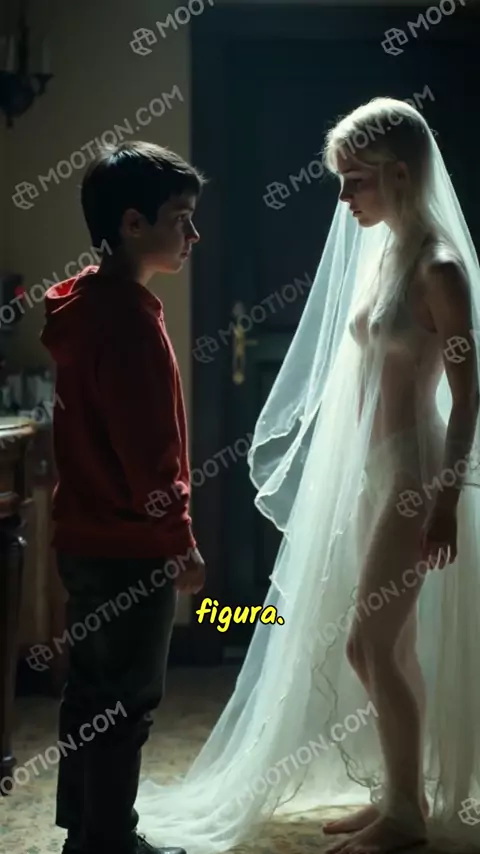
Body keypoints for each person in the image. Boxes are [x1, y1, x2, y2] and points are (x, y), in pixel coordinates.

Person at [132, 98, 480, 854]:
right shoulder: (386, 252)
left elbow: (469, 394)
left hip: (415, 476)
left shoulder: (440, 268)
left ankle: (406, 815)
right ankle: (400, 795)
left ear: (399, 173)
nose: (344, 197)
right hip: (376, 471)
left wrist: (447, 496)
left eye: (356, 180)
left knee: (369, 643)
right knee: (385, 644)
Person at [40, 141, 207, 854]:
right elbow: (151, 458)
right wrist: (181, 544)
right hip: (129, 548)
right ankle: (111, 840)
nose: (194, 234)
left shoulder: (86, 304)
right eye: (181, 218)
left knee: (90, 691)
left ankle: (86, 833)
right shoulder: (130, 322)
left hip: (83, 538)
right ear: (133, 224)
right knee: (128, 700)